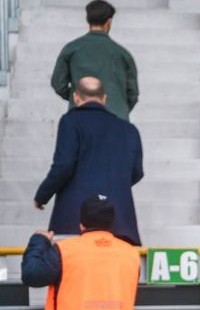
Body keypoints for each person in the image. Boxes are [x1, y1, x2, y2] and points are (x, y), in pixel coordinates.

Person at [35, 77, 143, 245]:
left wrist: (42, 196)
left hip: (75, 222)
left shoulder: (70, 122)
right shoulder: (129, 130)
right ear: (104, 98)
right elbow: (137, 172)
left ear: (76, 97)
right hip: (120, 224)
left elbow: (64, 165)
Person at [50, 0, 138, 122]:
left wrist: (76, 97)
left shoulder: (71, 49)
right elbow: (133, 93)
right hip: (116, 118)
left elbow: (58, 83)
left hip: (81, 117)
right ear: (109, 21)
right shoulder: (123, 54)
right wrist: (120, 107)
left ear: (88, 20)